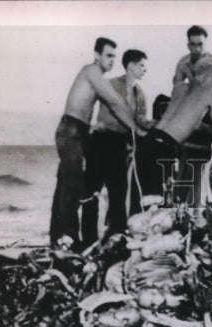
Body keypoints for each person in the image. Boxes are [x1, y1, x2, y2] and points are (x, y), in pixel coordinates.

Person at [49, 37, 145, 250]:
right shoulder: (92, 72)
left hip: (80, 132)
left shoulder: (98, 76)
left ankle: (58, 236)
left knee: (65, 183)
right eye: (108, 55)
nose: (112, 60)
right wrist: (135, 129)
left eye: (114, 56)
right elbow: (114, 102)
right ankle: (70, 237)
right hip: (71, 130)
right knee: (72, 185)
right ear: (97, 55)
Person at [81, 49, 153, 245]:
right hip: (101, 142)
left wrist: (158, 124)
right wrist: (135, 126)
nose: (145, 70)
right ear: (131, 66)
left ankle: (116, 238)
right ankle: (88, 241)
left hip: (120, 145)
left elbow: (140, 121)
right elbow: (108, 116)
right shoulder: (111, 85)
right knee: (91, 194)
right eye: (142, 66)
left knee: (118, 194)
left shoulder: (140, 94)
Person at [138, 56, 212, 199]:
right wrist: (201, 127)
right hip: (165, 148)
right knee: (159, 206)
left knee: (143, 201)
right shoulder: (210, 93)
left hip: (149, 141)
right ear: (208, 76)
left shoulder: (180, 88)